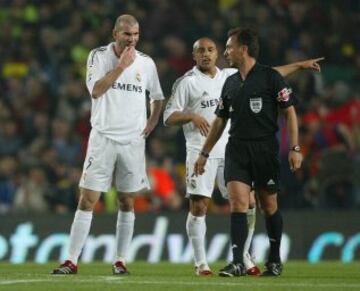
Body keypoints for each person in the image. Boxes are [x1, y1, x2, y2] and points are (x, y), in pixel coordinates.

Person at [166, 37, 321, 276]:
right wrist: (190, 116)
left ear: (217, 54)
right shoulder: (186, 82)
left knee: (248, 203)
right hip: (200, 150)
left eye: (211, 50)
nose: (206, 54)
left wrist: (299, 65)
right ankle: (201, 263)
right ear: (193, 55)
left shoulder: (229, 75)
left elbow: (269, 73)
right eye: (200, 51)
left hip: (231, 149)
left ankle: (243, 256)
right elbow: (168, 117)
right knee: (199, 205)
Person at [52, 14, 164, 275]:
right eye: (127, 34)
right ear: (115, 34)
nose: (132, 39)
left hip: (133, 141)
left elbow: (157, 97)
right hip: (103, 137)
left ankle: (120, 260)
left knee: (127, 201)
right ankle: (71, 260)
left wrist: (153, 121)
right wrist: (121, 67)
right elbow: (96, 90)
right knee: (87, 198)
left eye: (136, 34)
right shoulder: (98, 56)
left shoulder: (147, 63)